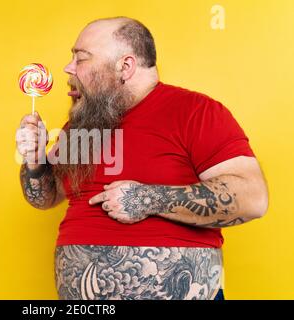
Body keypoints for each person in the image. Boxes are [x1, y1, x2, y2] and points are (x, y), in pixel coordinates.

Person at [16, 16, 268, 300]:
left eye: (81, 58)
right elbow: (45, 197)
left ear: (125, 66)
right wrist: (35, 159)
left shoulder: (195, 112)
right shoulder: (80, 127)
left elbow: (253, 198)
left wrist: (147, 198)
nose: (68, 68)